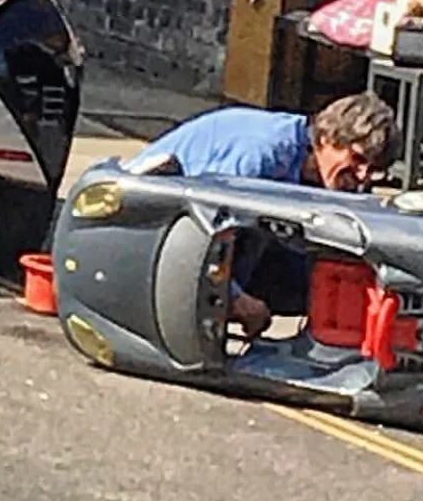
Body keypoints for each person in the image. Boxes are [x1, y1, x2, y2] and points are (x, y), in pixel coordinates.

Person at [127, 92, 401, 336]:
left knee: (315, 274)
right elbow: (202, 233)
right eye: (358, 160)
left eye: (373, 168)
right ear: (327, 139)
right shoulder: (262, 155)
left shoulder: (316, 165)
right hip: (149, 237)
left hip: (207, 236)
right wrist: (238, 300)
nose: (363, 176)